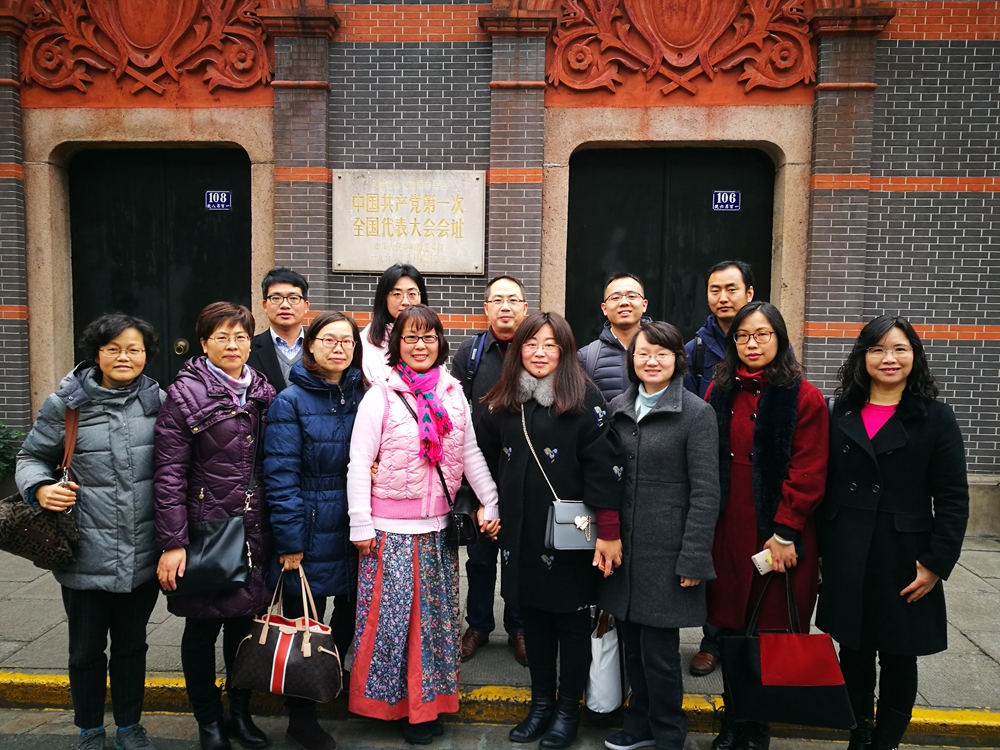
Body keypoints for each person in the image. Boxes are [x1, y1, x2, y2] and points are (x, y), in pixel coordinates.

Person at [346, 304, 500, 746]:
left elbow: (469, 454)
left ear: (440, 344)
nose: (420, 345)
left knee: (433, 626)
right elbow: (359, 463)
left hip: (436, 531)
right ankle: (392, 706)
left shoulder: (453, 394)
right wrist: (360, 524)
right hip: (388, 532)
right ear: (397, 345)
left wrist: (490, 500)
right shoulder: (380, 395)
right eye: (411, 338)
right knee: (392, 624)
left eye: (428, 337)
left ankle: (425, 706)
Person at [817, 316, 969, 750]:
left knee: (900, 655)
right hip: (848, 549)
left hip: (904, 555)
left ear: (914, 356)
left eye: (900, 349)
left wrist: (936, 563)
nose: (889, 358)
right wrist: (822, 549)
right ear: (862, 357)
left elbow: (953, 498)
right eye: (878, 349)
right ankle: (859, 735)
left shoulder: (935, 417)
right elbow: (825, 485)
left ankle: (886, 742)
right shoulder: (840, 412)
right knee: (854, 649)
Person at [16, 314, 165, 750]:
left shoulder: (158, 401)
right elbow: (31, 457)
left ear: (146, 355)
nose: (124, 357)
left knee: (132, 646)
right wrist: (40, 488)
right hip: (85, 550)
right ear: (96, 353)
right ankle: (89, 728)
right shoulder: (66, 404)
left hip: (142, 550)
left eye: (134, 349)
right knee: (85, 650)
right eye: (113, 348)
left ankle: (129, 726)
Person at [478, 311, 625, 750]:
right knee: (534, 620)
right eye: (531, 344)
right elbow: (486, 458)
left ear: (564, 351)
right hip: (521, 532)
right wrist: (488, 506)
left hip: (572, 534)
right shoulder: (505, 398)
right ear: (517, 350)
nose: (539, 353)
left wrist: (609, 531)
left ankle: (566, 711)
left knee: (571, 623)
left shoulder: (584, 397)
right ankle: (540, 705)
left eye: (550, 345)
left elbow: (606, 469)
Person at [705, 301, 828, 750]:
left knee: (769, 631)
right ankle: (733, 717)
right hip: (728, 528)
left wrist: (786, 530)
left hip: (779, 534)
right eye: (742, 336)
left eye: (762, 334)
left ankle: (758, 726)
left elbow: (808, 469)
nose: (751, 344)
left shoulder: (803, 396)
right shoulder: (719, 390)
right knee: (731, 628)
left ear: (780, 338)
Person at [154, 302, 276, 750]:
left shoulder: (262, 392)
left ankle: (240, 713)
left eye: (240, 336)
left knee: (244, 629)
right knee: (202, 630)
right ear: (204, 343)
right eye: (221, 336)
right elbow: (168, 474)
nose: (232, 345)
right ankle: (208, 720)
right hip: (205, 532)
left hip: (254, 531)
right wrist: (173, 542)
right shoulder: (184, 395)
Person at [602, 321, 721, 750]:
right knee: (632, 648)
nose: (651, 361)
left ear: (677, 359)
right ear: (631, 360)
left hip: (667, 551)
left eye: (662, 354)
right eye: (643, 353)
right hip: (624, 550)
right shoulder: (617, 407)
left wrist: (694, 557)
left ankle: (669, 732)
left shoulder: (696, 413)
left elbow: (706, 491)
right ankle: (639, 725)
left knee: (660, 654)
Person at [263, 311, 369, 750]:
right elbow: (280, 475)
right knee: (304, 623)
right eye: (329, 340)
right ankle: (301, 718)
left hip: (355, 524)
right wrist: (290, 541)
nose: (339, 348)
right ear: (310, 346)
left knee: (350, 613)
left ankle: (328, 678)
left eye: (347, 341)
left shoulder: (364, 396)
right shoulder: (289, 401)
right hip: (309, 528)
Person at [450, 274, 529, 666]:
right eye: (497, 300)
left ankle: (519, 628)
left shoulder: (535, 349)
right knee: (480, 560)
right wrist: (476, 493)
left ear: (525, 308)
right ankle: (478, 626)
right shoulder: (471, 354)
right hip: (479, 474)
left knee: (519, 560)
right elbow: (454, 415)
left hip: (526, 475)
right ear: (486, 308)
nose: (505, 307)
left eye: (513, 299)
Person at [683, 260, 754, 678]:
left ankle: (750, 637)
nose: (723, 297)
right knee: (716, 554)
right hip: (711, 466)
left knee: (750, 556)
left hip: (752, 468)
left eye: (731, 289)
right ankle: (712, 639)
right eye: (715, 289)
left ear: (749, 293)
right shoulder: (695, 348)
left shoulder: (769, 338)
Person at [578, 272, 650, 400]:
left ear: (644, 305)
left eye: (632, 296)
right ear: (604, 308)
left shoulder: (666, 349)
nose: (624, 302)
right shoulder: (586, 357)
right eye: (615, 298)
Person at [360, 263, 429, 383]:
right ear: (384, 298)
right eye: (397, 294)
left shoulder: (432, 338)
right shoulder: (365, 343)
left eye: (412, 294)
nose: (406, 302)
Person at [247, 267, 312, 393]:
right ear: (264, 305)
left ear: (306, 306)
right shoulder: (248, 349)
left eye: (293, 298)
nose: (285, 305)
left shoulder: (320, 347)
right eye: (276, 298)